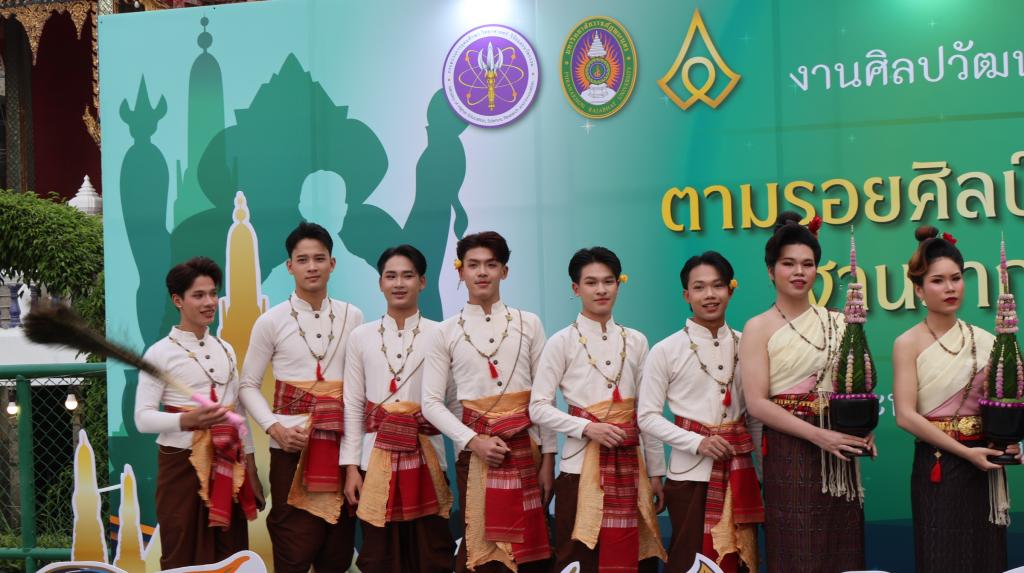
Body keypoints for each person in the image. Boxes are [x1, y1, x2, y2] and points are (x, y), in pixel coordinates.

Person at [739, 212, 871, 573]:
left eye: (808, 264)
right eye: (788, 264)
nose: (799, 271)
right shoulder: (757, 328)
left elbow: (856, 389)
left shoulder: (838, 321)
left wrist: (864, 431)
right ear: (771, 271)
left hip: (840, 450)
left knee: (844, 551)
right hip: (790, 451)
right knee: (798, 552)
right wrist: (818, 436)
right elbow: (757, 403)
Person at [421, 231, 555, 573]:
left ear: (504, 271)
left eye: (491, 265)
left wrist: (549, 460)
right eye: (473, 265)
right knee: (482, 553)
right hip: (474, 456)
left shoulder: (529, 323)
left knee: (531, 554)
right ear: (460, 271)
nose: (482, 272)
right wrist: (473, 441)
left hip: (527, 451)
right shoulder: (444, 332)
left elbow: (544, 398)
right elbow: (431, 403)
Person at [529, 247, 667, 573]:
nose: (601, 290)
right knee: (579, 557)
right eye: (591, 282)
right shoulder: (561, 341)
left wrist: (656, 473)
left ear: (619, 284)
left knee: (637, 556)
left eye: (608, 281)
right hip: (579, 469)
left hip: (633, 467)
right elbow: (538, 407)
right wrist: (587, 428)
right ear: (576, 288)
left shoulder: (636, 341)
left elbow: (647, 412)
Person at [239, 222, 363, 573]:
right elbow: (247, 385)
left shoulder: (353, 316)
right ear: (289, 266)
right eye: (303, 259)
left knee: (338, 543)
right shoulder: (271, 321)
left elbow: (358, 388)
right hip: (290, 447)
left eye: (319, 259)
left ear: (332, 264)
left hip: (340, 447)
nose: (312, 267)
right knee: (293, 543)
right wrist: (274, 428)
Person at [892, 226, 1016, 572]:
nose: (950, 288)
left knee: (986, 557)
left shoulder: (987, 340)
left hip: (985, 464)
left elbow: (1005, 406)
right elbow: (905, 415)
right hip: (938, 466)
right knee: (942, 556)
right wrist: (965, 453)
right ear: (919, 289)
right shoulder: (907, 343)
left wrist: (1009, 443)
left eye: (956, 278)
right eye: (938, 281)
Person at [638, 251, 763, 572]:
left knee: (741, 560)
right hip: (688, 477)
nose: (709, 295)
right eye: (699, 287)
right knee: (690, 561)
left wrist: (764, 473)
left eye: (718, 286)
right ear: (686, 295)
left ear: (730, 290)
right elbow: (647, 417)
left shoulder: (747, 344)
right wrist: (698, 443)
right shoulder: (665, 350)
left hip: (741, 472)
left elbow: (755, 417)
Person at [135, 256, 262, 569]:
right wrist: (186, 420)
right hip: (181, 463)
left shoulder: (225, 348)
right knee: (182, 547)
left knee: (230, 551)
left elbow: (238, 414)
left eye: (213, 293)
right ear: (177, 300)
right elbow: (142, 418)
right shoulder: (160, 353)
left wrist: (251, 468)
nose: (209, 302)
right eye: (199, 295)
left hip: (229, 460)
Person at [341, 244, 456, 572]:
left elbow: (454, 403)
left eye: (408, 276)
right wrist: (351, 468)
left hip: (429, 458)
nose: (399, 283)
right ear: (380, 283)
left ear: (423, 281)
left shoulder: (442, 334)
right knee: (379, 556)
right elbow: (353, 405)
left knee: (431, 554)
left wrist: (465, 458)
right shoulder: (360, 337)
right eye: (391, 276)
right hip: (372, 460)